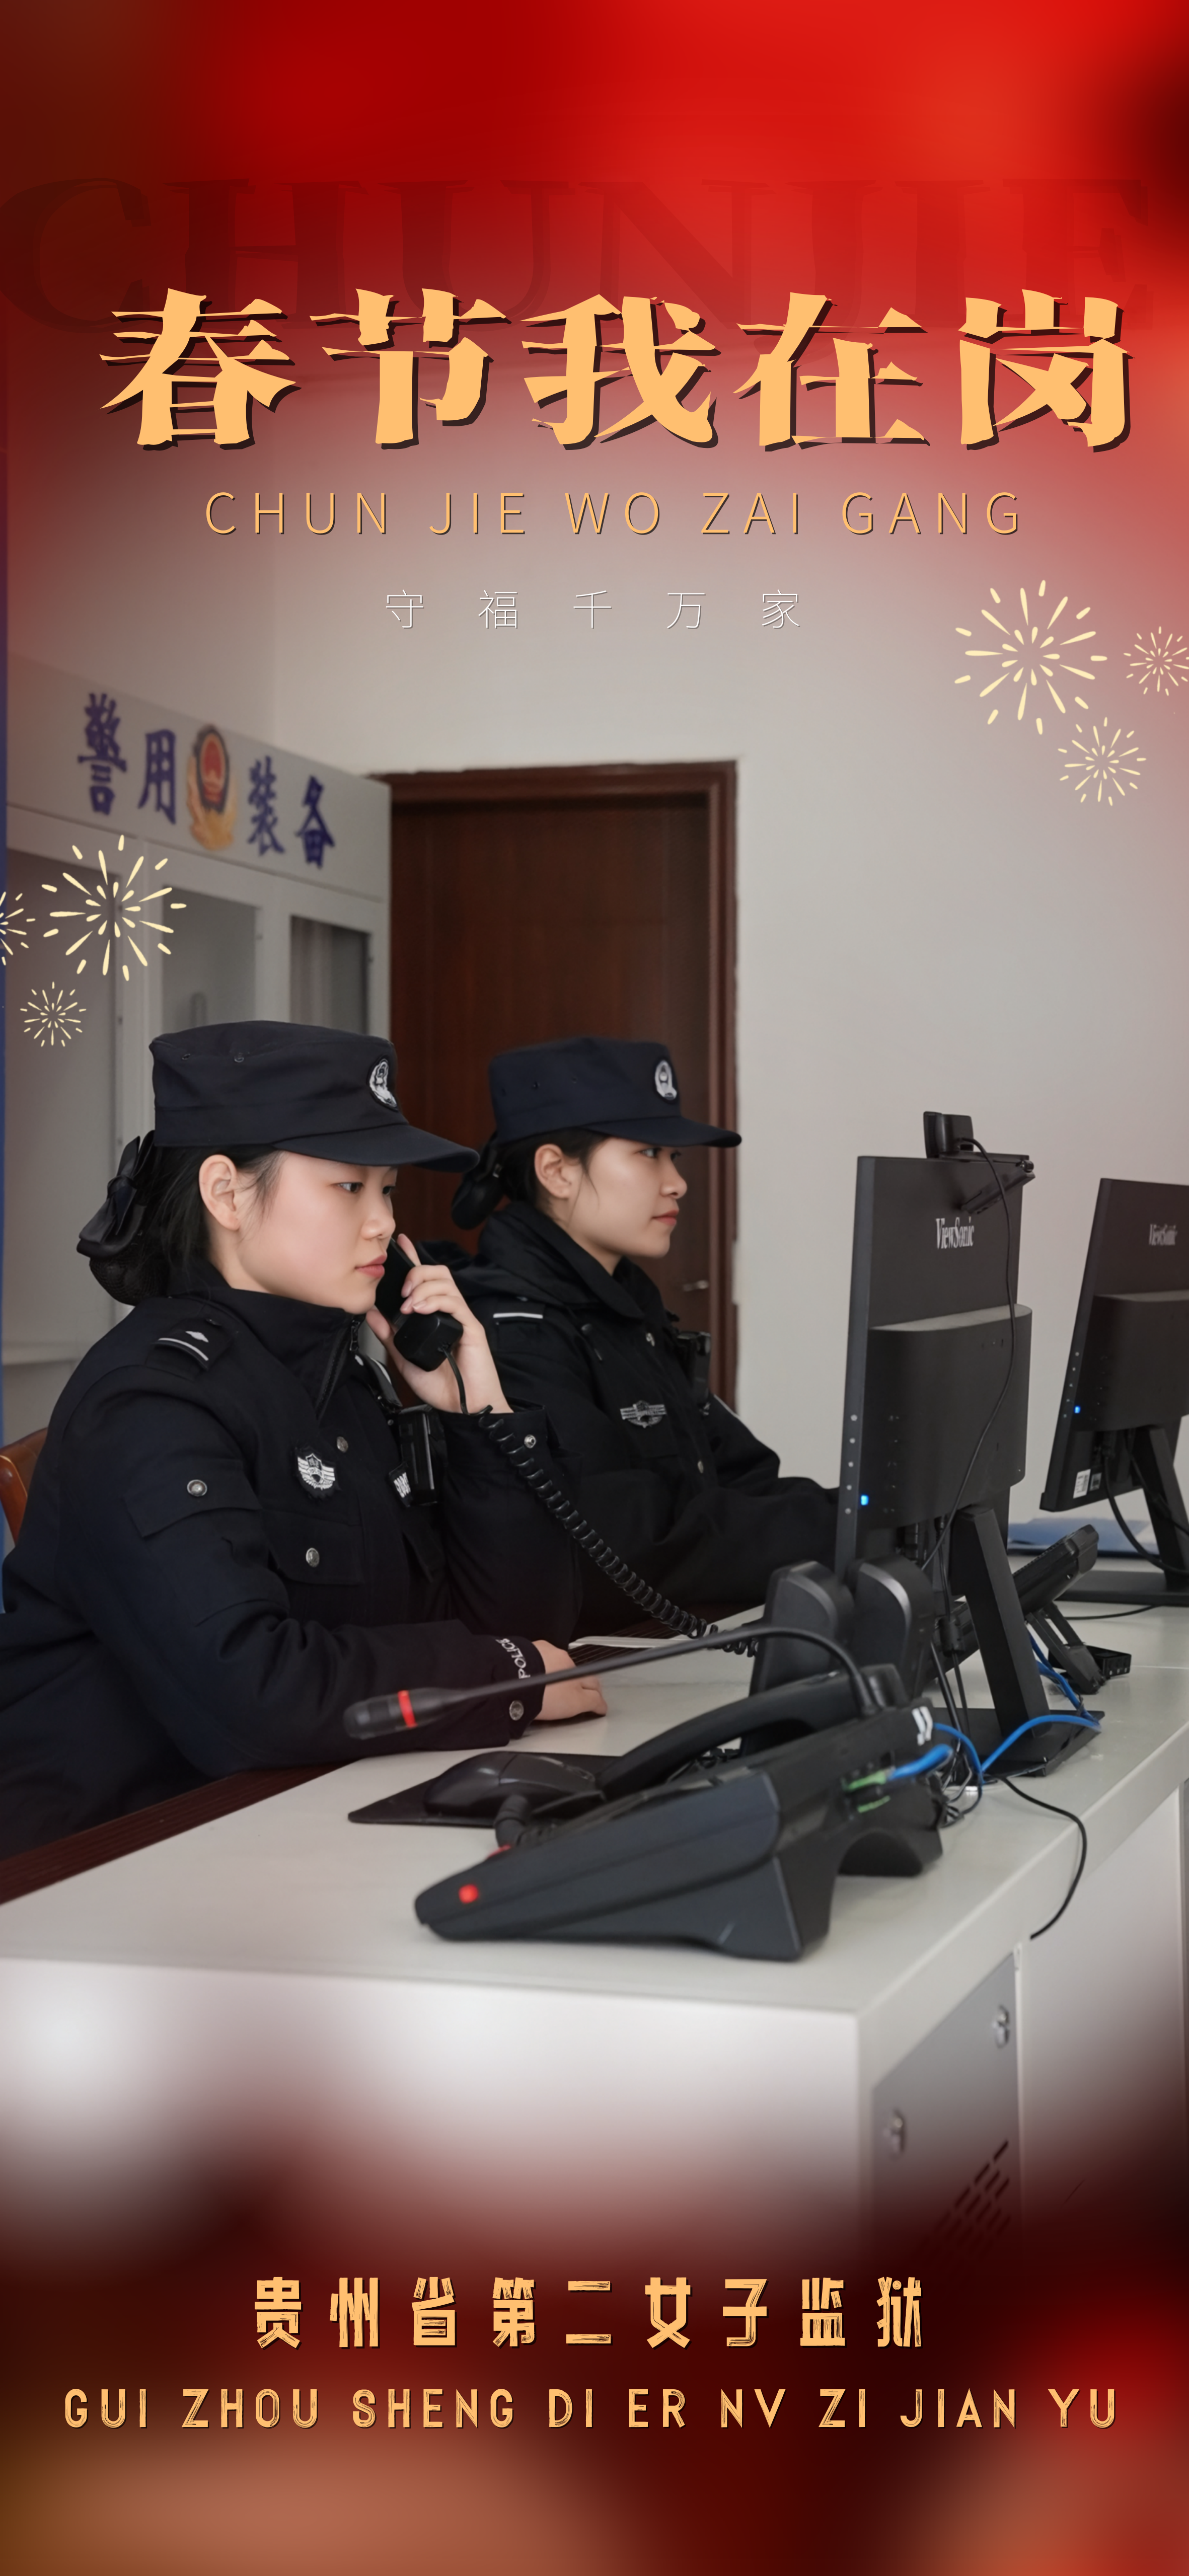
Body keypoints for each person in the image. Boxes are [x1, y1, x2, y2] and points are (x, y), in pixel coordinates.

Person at [0, 1022, 603, 1860]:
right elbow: (251, 1691)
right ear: (226, 1193)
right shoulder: (151, 1400)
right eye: (348, 1187)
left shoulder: (340, 1374)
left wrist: (478, 1409)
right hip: (106, 1861)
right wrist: (501, 1678)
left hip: (296, 1818)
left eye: (387, 1190)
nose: (382, 1223)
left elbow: (526, 1630)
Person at [449, 1035, 837, 1633]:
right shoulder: (514, 1334)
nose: (677, 1182)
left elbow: (742, 1477)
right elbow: (633, 1548)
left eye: (673, 1157)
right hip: (597, 1665)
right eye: (649, 1153)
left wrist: (870, 1517)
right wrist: (853, 1526)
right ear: (556, 1171)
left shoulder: (625, 1310)